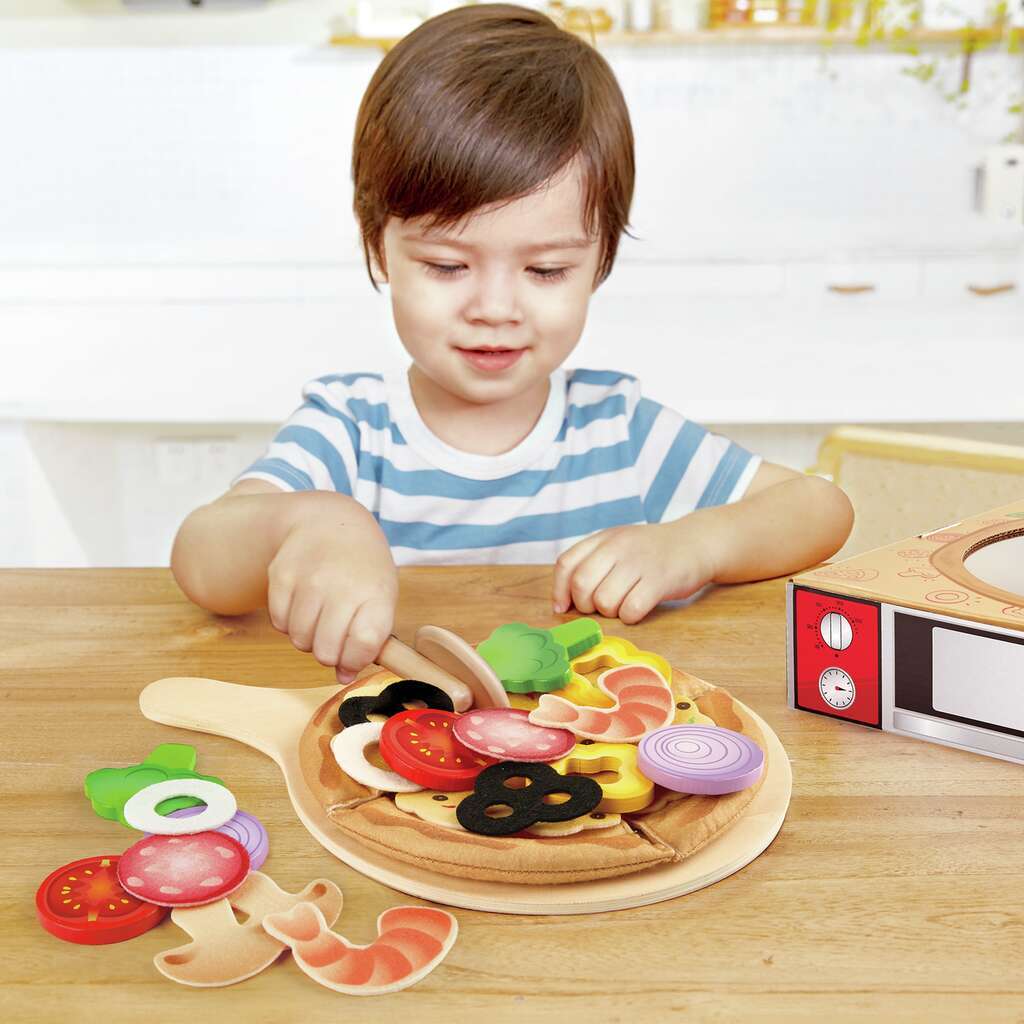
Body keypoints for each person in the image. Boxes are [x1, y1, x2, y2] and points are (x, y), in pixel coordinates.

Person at [171, 3, 853, 685]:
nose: (495, 310)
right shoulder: (351, 430)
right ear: (378, 247)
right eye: (447, 266)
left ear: (600, 262)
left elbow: (819, 507)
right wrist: (311, 523)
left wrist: (691, 545)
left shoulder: (617, 430)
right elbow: (201, 558)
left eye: (546, 270)